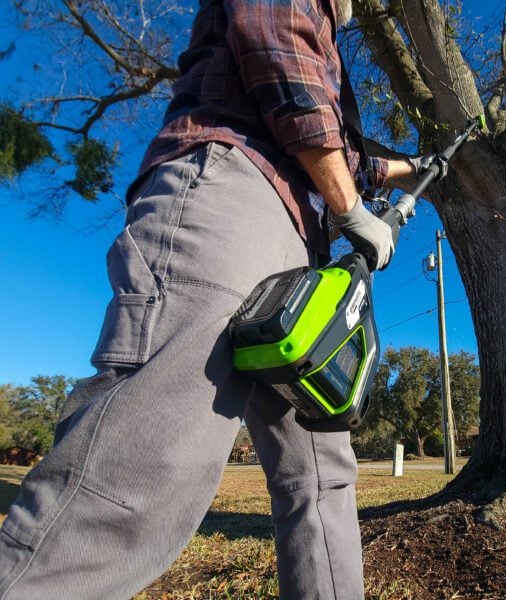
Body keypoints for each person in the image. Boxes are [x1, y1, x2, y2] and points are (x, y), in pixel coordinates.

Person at [0, 1, 426, 598]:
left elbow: (333, 141)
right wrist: (351, 209)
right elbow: (278, 48)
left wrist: (407, 170)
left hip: (300, 241)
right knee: (148, 457)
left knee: (322, 476)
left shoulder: (327, 34)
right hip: (230, 190)